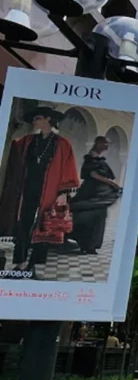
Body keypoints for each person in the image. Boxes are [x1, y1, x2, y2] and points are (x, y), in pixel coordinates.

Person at [0, 105, 80, 272]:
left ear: (47, 119)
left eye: (37, 118)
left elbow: (68, 167)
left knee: (46, 227)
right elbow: (12, 152)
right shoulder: (27, 141)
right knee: (23, 225)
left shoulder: (63, 144)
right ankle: (20, 262)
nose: (34, 122)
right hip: (27, 189)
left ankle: (36, 264)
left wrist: (63, 193)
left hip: (50, 190)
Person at [70, 136, 120, 254]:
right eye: (106, 143)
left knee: (99, 217)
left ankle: (91, 246)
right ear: (100, 143)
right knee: (87, 217)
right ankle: (84, 245)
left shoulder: (99, 158)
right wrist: (111, 183)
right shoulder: (91, 157)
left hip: (100, 193)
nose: (108, 146)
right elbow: (93, 174)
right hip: (91, 192)